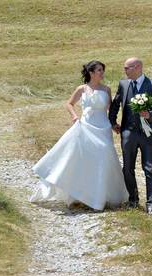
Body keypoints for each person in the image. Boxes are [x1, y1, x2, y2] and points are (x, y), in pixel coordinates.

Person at [30, 61, 128, 210]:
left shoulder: (106, 89)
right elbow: (69, 104)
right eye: (99, 70)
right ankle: (80, 195)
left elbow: (110, 109)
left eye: (103, 70)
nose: (102, 73)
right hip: (85, 127)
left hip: (103, 128)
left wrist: (114, 124)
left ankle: (102, 195)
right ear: (91, 72)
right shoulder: (81, 89)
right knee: (84, 158)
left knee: (104, 156)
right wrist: (75, 117)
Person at [109, 57, 152, 214]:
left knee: (149, 168)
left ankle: (151, 203)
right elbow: (115, 104)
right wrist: (113, 122)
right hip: (128, 132)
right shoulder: (123, 84)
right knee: (127, 168)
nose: (125, 71)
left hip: (148, 134)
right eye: (125, 68)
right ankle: (133, 199)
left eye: (128, 68)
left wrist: (150, 114)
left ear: (138, 67)